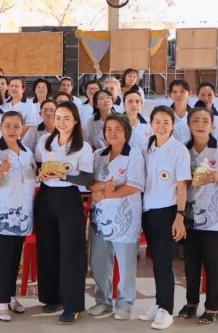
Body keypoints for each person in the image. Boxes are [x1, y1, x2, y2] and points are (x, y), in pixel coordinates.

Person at [35, 102, 94, 325]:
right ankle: (51, 297)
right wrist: (41, 174)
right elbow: (39, 166)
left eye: (66, 118)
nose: (61, 122)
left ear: (76, 120)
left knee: (71, 251)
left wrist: (64, 176)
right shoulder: (45, 141)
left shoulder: (82, 147)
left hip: (69, 198)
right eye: (58, 117)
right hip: (46, 197)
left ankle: (73, 305)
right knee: (47, 248)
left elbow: (87, 179)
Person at [179, 107, 218, 324]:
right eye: (196, 120)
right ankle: (191, 303)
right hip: (190, 216)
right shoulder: (183, 151)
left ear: (213, 125)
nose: (201, 124)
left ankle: (212, 306)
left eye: (205, 121)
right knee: (191, 262)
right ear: (189, 125)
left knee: (213, 262)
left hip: (217, 218)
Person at [88, 114, 145, 321]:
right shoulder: (98, 155)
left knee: (126, 264)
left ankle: (125, 304)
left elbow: (134, 186)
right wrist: (101, 189)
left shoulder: (134, 154)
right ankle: (102, 302)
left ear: (126, 133)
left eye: (118, 129)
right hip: (101, 219)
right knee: (99, 263)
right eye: (108, 129)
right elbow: (90, 183)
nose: (112, 133)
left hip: (125, 219)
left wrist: (104, 194)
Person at [138, 105, 190, 330]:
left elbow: (182, 186)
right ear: (150, 124)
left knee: (164, 263)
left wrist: (179, 215)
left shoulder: (179, 150)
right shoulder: (148, 148)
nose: (161, 126)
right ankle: (159, 304)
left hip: (168, 211)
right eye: (157, 122)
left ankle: (167, 310)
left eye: (166, 122)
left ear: (173, 125)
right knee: (156, 262)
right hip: (148, 211)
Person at [0, 111, 34, 322]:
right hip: (1, 217)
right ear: (1, 128)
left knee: (14, 259)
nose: (12, 130)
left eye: (16, 126)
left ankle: (11, 297)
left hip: (22, 216)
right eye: (8, 126)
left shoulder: (27, 152)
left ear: (22, 129)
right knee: (2, 260)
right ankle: (2, 303)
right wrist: (2, 169)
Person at [168, 80, 193, 144]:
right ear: (170, 95)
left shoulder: (195, 115)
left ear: (189, 94)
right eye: (174, 92)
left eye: (182, 91)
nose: (178, 95)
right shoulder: (165, 115)